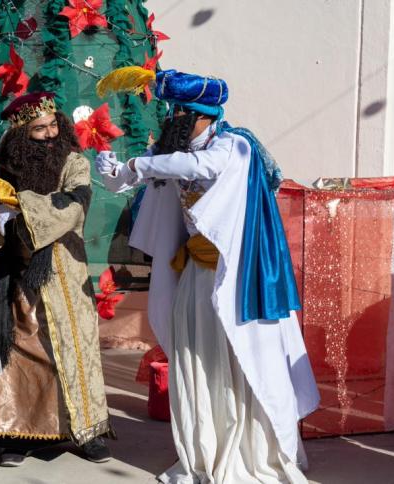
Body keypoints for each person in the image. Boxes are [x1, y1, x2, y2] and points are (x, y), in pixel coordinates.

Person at [96, 70, 320, 483]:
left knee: (238, 362)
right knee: (196, 363)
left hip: (236, 283)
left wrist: (137, 163)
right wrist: (116, 172)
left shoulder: (234, 146)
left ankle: (250, 451)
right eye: (173, 112)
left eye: (181, 113)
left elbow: (197, 165)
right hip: (195, 278)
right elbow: (147, 178)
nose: (174, 119)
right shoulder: (174, 151)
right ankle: (205, 450)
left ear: (201, 114)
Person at [0, 92, 114, 467]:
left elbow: (75, 204)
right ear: (21, 134)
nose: (50, 134)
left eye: (53, 125)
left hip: (64, 273)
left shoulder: (74, 163)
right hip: (16, 275)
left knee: (72, 350)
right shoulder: (1, 170)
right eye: (39, 129)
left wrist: (20, 214)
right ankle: (17, 432)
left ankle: (87, 431)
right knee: (19, 354)